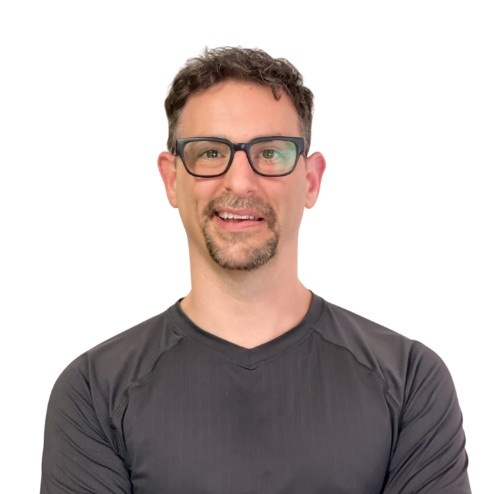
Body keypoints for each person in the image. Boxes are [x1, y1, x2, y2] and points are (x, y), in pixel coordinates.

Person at [40, 46, 471, 493]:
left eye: (270, 153)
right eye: (210, 153)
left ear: (311, 180)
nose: (240, 181)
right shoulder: (95, 392)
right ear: (172, 179)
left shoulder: (410, 381)